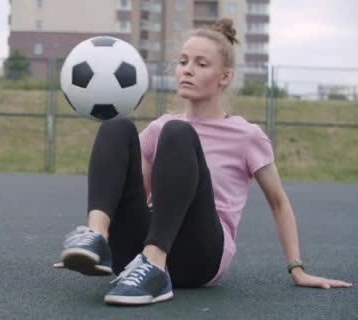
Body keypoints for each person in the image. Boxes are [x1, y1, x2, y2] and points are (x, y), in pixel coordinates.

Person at [53, 18, 352, 306]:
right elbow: (134, 195)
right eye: (183, 62)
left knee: (179, 133)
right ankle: (96, 239)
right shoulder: (159, 127)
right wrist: (89, 252)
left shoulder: (247, 135)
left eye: (201, 64)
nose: (188, 70)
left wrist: (297, 268)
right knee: (117, 126)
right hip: (138, 252)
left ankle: (156, 265)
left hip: (200, 256)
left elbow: (279, 202)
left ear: (225, 77)